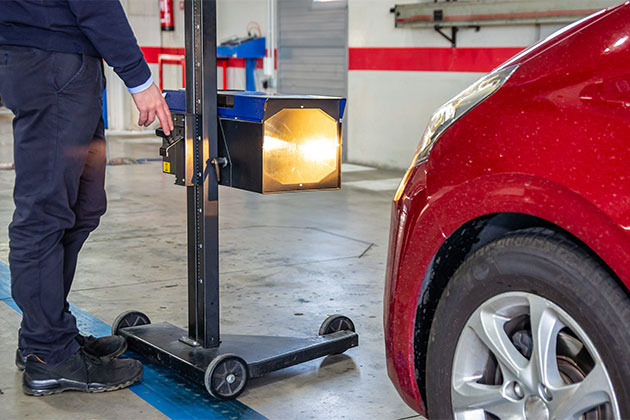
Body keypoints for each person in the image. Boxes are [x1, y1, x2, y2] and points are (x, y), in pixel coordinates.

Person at [0, 0, 174, 395]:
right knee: (44, 213)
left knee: (84, 205)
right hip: (50, 62)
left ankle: (46, 332)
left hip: (64, 62)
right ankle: (48, 354)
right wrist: (140, 79)